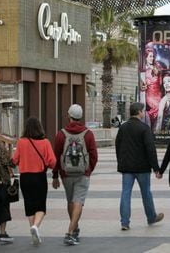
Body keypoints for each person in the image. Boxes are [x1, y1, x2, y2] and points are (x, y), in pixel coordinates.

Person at [52, 104, 98, 246]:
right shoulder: (88, 134)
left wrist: (55, 175)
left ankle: (73, 228)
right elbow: (94, 155)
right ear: (81, 116)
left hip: (66, 174)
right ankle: (71, 232)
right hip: (82, 173)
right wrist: (88, 170)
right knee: (79, 201)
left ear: (69, 115)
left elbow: (56, 155)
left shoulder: (61, 134)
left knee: (71, 201)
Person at [115, 102, 164, 230]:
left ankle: (124, 222)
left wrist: (120, 161)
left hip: (127, 168)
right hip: (142, 167)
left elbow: (118, 145)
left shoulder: (123, 128)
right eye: (143, 111)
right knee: (146, 193)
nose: (144, 113)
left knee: (125, 193)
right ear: (139, 112)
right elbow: (150, 149)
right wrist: (156, 168)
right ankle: (151, 217)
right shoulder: (144, 128)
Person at [12, 117, 56, 245]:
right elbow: (52, 161)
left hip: (25, 177)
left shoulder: (21, 142)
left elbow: (14, 160)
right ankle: (35, 226)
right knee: (40, 206)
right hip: (39, 177)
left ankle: (33, 233)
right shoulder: (45, 142)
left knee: (29, 205)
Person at [140, 47, 163, 130]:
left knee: (162, 109)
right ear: (146, 57)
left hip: (158, 94)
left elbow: (160, 83)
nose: (152, 58)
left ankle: (154, 128)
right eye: (150, 56)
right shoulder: (143, 70)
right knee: (159, 110)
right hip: (150, 96)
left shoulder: (157, 67)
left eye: (153, 56)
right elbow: (142, 85)